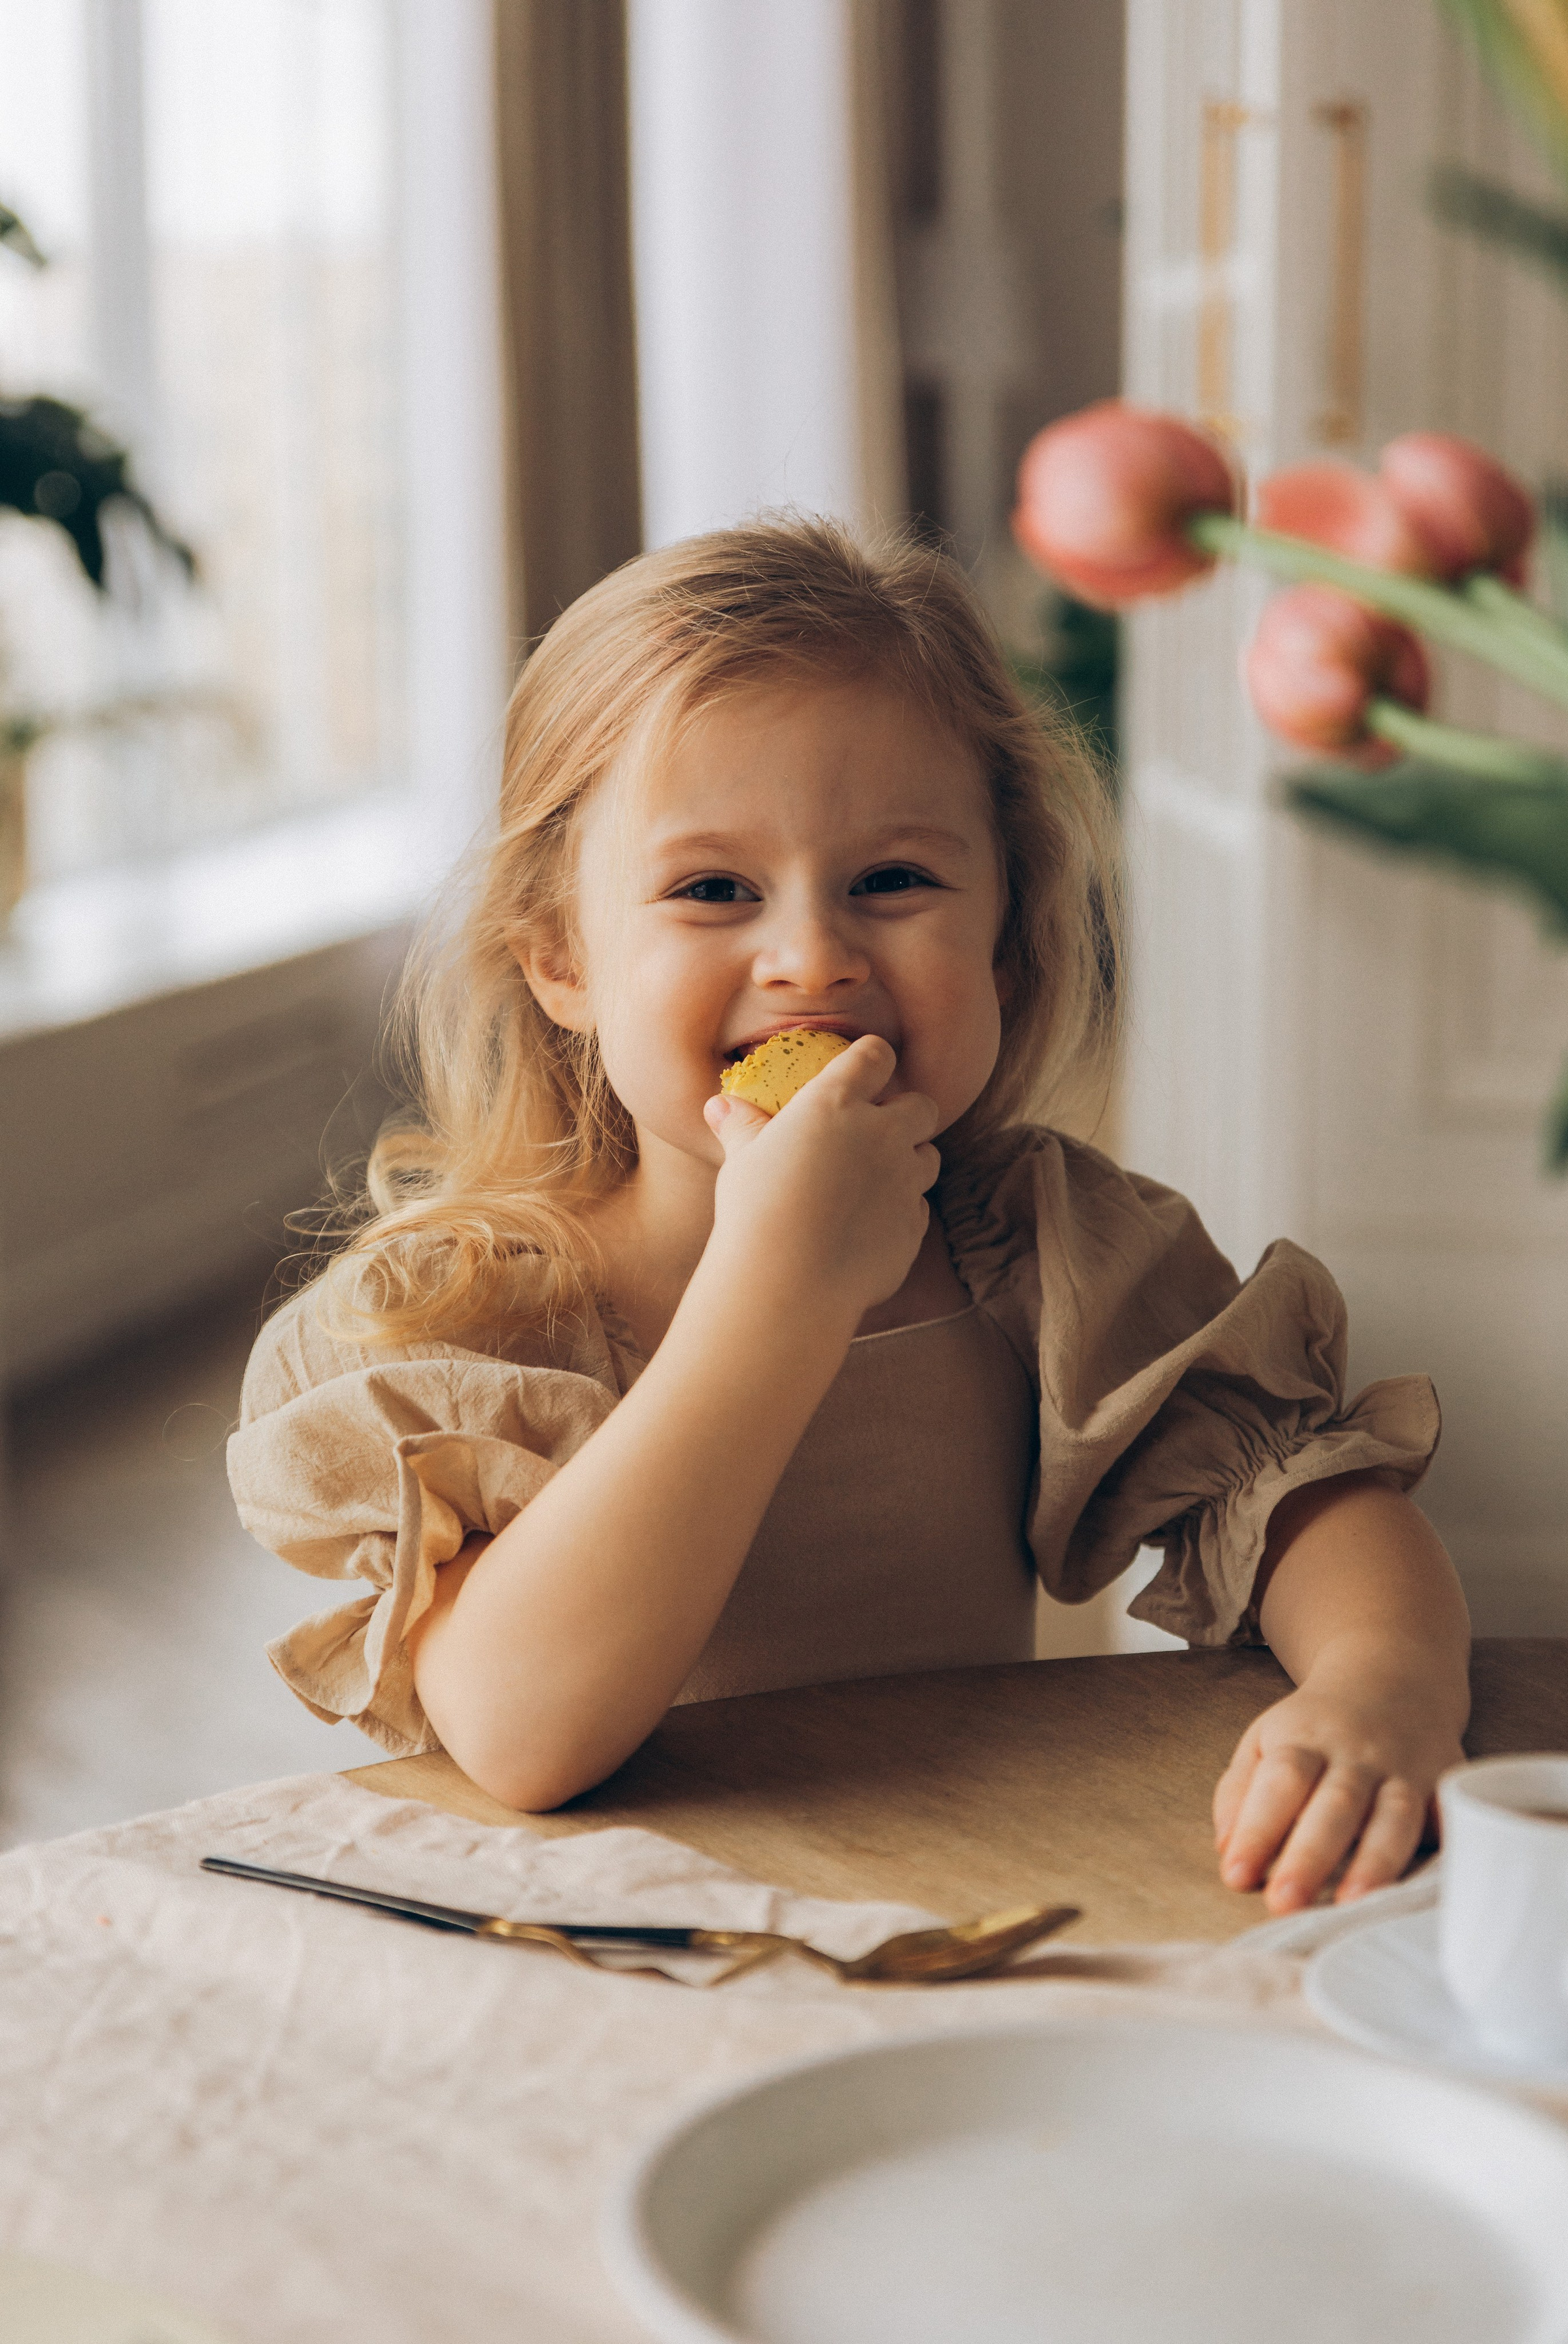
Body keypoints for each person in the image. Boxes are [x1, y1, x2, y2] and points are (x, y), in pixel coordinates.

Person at [228, 518, 1471, 1916]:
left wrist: (1385, 1684)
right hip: (605, 1940)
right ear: (562, 959)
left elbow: (1300, 1494)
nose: (811, 956)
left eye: (892, 880)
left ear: (1002, 935)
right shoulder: (469, 1328)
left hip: (934, 1904)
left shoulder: (1050, 1245)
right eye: (712, 889)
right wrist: (777, 1293)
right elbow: (525, 1735)